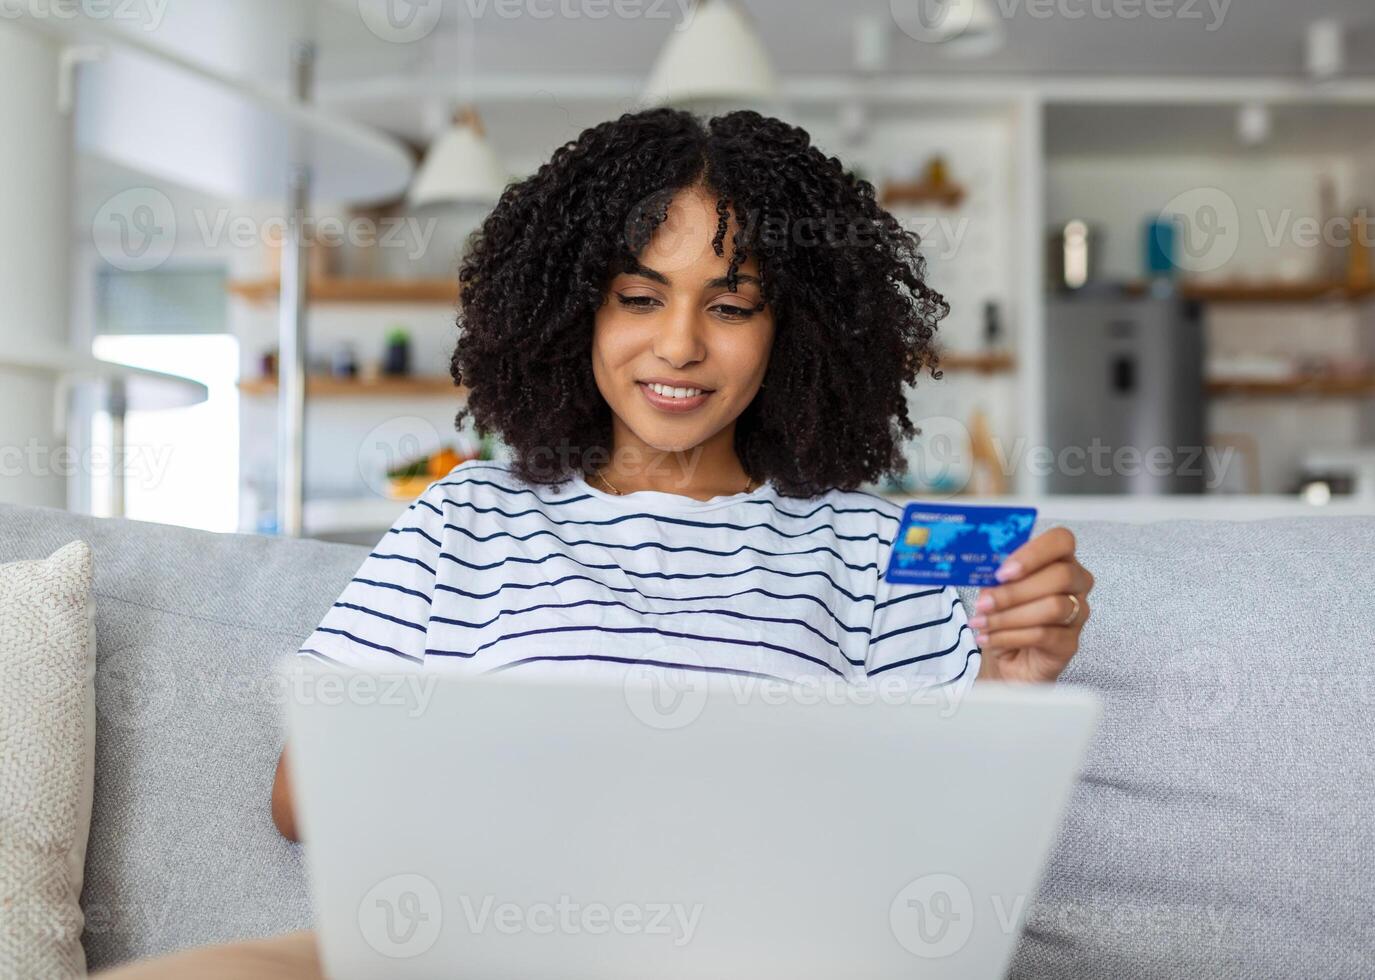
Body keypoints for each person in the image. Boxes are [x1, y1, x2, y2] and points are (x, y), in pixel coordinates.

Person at [99, 107, 1093, 979]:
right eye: (639, 295)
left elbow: (939, 863)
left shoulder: (876, 547)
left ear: (794, 330)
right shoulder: (462, 519)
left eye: (732, 303)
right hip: (465, 947)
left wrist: (1010, 681)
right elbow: (301, 792)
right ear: (577, 306)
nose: (679, 344)